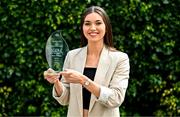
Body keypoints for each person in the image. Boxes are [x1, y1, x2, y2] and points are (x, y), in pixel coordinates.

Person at [44, 6, 130, 117]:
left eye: (98, 23)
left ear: (106, 27)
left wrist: (83, 80)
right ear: (82, 27)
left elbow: (116, 98)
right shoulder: (72, 56)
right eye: (87, 23)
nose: (92, 28)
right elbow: (65, 99)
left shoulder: (120, 59)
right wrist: (56, 82)